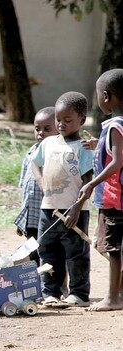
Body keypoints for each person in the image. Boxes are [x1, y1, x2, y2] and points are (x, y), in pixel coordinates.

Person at [31, 91, 94, 307]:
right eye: (58, 119)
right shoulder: (48, 144)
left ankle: (79, 294)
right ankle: (51, 292)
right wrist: (40, 181)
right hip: (48, 209)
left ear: (81, 120)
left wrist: (76, 208)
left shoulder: (83, 148)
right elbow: (35, 163)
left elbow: (88, 182)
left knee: (76, 253)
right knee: (47, 250)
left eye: (68, 120)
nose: (61, 124)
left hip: (74, 211)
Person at [78, 68, 123, 311]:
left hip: (114, 199)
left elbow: (117, 162)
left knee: (111, 248)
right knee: (111, 246)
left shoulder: (115, 125)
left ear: (105, 96)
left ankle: (113, 298)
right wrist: (99, 146)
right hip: (118, 198)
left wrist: (92, 183)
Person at [14, 107, 58, 264]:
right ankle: (37, 285)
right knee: (32, 251)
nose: (41, 133)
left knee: (50, 252)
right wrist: (22, 221)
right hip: (31, 218)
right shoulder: (31, 153)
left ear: (59, 130)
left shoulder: (58, 154)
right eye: (37, 129)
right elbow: (25, 190)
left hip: (49, 216)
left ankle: (55, 286)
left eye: (47, 129)